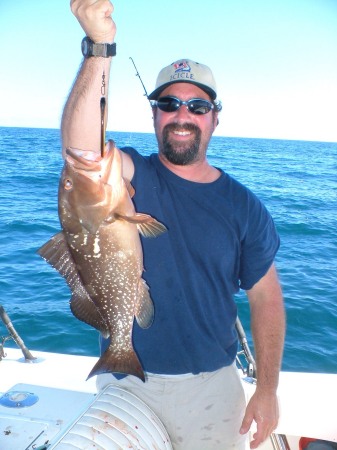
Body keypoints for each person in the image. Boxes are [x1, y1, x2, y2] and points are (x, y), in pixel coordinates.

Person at [63, 1, 286, 449]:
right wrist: (99, 50)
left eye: (197, 105)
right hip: (125, 381)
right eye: (169, 103)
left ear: (214, 118)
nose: (182, 114)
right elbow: (82, 152)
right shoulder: (129, 176)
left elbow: (266, 297)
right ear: (155, 115)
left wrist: (266, 388)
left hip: (210, 388)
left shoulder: (244, 207)